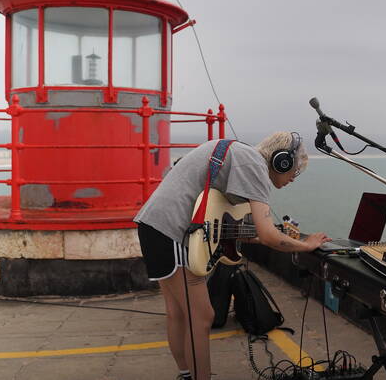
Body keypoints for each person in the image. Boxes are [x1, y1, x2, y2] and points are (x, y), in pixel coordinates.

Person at [134, 131, 331, 380]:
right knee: (202, 315)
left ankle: (187, 374)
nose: (294, 178)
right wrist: (305, 245)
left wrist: (278, 237)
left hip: (155, 225)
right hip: (171, 230)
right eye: (295, 170)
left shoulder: (242, 158)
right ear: (283, 160)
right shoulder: (254, 166)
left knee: (179, 312)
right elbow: (269, 236)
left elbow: (237, 228)